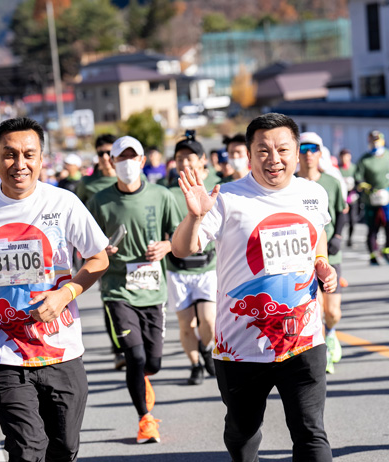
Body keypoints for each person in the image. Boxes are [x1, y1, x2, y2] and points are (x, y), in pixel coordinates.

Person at [0, 118, 109, 461]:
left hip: (61, 350)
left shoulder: (64, 203)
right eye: (9, 154)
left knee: (64, 448)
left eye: (29, 154)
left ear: (42, 159)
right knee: (27, 450)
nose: (20, 164)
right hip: (5, 352)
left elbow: (98, 258)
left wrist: (66, 294)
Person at [172, 112, 336, 462]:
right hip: (241, 345)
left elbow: (316, 234)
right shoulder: (227, 198)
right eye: (263, 150)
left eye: (282, 149)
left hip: (302, 338)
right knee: (242, 435)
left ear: (295, 152)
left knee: (311, 434)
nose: (273, 159)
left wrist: (323, 263)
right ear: (248, 155)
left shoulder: (313, 194)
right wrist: (195, 216)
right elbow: (182, 249)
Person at [87, 135, 182, 444]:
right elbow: (84, 245)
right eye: (121, 158)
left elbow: (180, 237)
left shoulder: (162, 195)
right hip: (117, 290)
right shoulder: (99, 201)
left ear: (143, 161)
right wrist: (102, 250)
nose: (127, 163)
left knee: (153, 362)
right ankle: (145, 419)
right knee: (136, 358)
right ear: (112, 163)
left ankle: (143, 383)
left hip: (153, 290)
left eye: (133, 157)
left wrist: (166, 246)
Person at [166, 132, 218, 385]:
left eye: (190, 158)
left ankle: (206, 349)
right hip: (178, 269)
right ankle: (195, 363)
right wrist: (167, 244)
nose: (184, 163)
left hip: (208, 267)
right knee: (186, 325)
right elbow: (163, 231)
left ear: (202, 160)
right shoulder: (168, 193)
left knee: (208, 319)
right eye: (179, 158)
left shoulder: (216, 188)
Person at [75, 134, 127, 370]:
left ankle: (135, 343)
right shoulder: (88, 183)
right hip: (102, 250)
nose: (105, 158)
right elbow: (78, 213)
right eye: (101, 153)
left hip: (134, 252)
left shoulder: (128, 175)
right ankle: (119, 349)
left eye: (109, 152)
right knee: (110, 299)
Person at [297, 132, 346, 374]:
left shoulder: (331, 182)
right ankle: (320, 353)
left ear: (320, 152)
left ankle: (333, 332)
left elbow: (343, 211)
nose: (308, 153)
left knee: (332, 312)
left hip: (330, 257)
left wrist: (337, 237)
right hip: (302, 259)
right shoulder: (291, 184)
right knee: (313, 309)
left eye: (313, 148)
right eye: (303, 148)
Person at [355, 130, 389, 265]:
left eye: (377, 140)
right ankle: (373, 254)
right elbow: (358, 178)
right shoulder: (364, 159)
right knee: (373, 228)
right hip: (371, 198)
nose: (375, 143)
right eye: (372, 140)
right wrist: (366, 188)